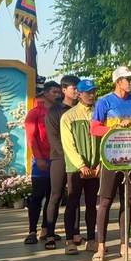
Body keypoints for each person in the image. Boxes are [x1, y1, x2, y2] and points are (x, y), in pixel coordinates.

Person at [92, 66, 131, 261]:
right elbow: (94, 129)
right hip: (110, 157)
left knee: (128, 201)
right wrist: (114, 128)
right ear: (118, 81)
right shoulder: (104, 102)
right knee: (105, 201)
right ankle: (101, 246)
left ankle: (125, 245)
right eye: (127, 79)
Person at [61, 80, 100, 255]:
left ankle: (91, 240)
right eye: (87, 92)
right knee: (73, 202)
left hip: (96, 168)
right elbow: (68, 144)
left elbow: (105, 141)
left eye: (93, 92)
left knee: (92, 204)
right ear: (79, 94)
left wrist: (100, 163)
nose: (91, 95)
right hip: (76, 168)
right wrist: (81, 165)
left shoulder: (99, 115)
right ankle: (70, 241)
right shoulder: (68, 116)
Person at [44, 75, 80, 250]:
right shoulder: (54, 111)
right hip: (59, 158)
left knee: (75, 196)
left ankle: (74, 233)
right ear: (64, 90)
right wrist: (69, 155)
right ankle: (50, 234)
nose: (77, 91)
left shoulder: (83, 109)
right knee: (55, 195)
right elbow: (54, 138)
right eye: (74, 87)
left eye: (78, 87)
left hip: (78, 160)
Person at [23, 80, 60, 245]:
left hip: (57, 159)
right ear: (45, 93)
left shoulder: (61, 112)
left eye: (59, 92)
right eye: (54, 92)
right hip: (41, 160)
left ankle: (47, 229)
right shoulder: (35, 113)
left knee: (54, 196)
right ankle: (32, 231)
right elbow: (31, 138)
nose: (57, 95)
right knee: (37, 195)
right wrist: (38, 158)